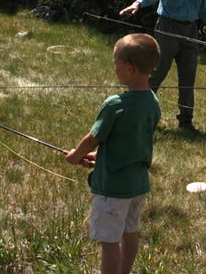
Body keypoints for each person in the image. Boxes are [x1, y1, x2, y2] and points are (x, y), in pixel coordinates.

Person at [66, 33, 161, 274]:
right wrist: (100, 157)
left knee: (109, 242)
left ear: (129, 69)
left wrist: (75, 155)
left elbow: (93, 139)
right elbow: (130, 141)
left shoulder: (115, 104)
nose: (114, 67)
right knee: (130, 234)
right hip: (138, 185)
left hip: (113, 188)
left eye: (116, 62)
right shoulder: (153, 101)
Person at [119, 0, 206, 132]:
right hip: (168, 28)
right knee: (157, 72)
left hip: (190, 30)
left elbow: (204, 4)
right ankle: (139, 113)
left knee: (188, 76)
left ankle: (186, 121)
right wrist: (138, 3)